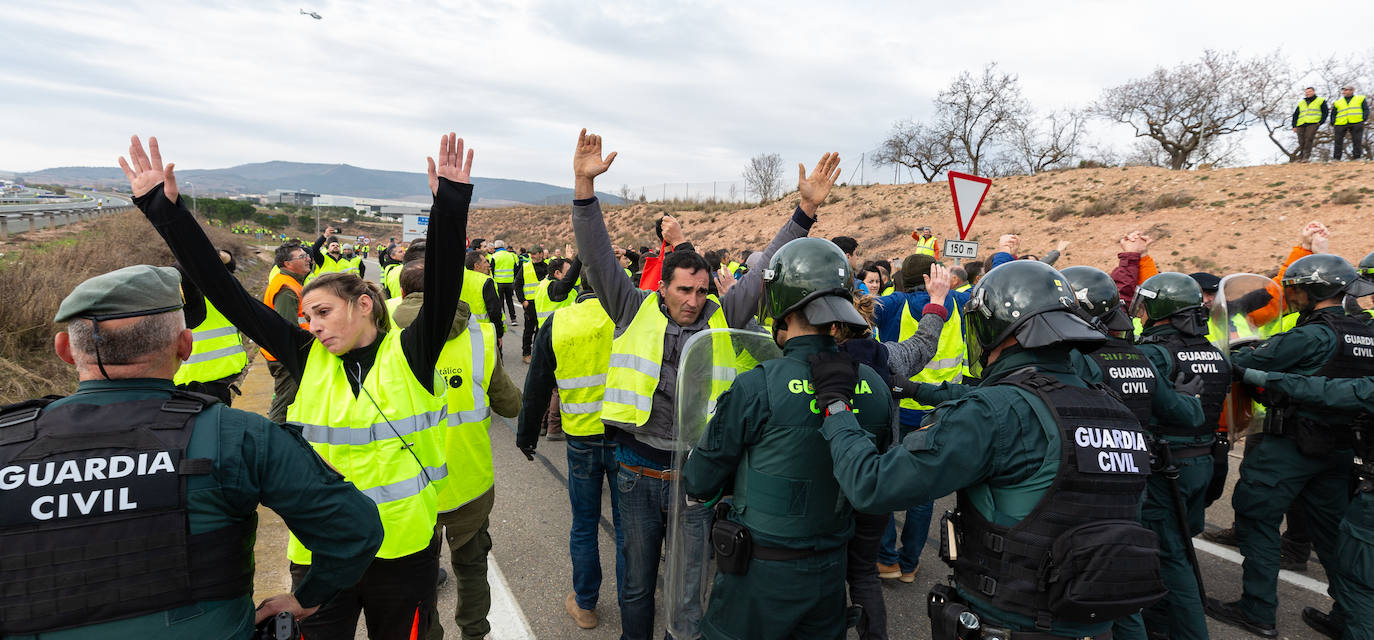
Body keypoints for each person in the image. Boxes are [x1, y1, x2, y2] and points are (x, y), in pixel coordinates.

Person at [122, 132, 474, 639]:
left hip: (403, 552)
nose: (314, 326)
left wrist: (451, 204)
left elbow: (443, 281)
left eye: (324, 312)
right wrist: (164, 210)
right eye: (307, 317)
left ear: (364, 304)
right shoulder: (307, 355)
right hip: (322, 553)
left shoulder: (411, 354)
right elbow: (226, 293)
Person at [0, 264, 383, 638]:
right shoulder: (239, 435)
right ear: (186, 346)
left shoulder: (8, 438)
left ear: (64, 349)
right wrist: (306, 599)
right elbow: (354, 530)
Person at [569, 128, 840, 639]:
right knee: (636, 583)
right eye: (682, 290)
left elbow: (766, 269)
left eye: (699, 289)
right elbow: (597, 254)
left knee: (689, 587)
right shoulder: (630, 307)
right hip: (637, 470)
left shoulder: (726, 314)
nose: (692, 300)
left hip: (696, 480)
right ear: (663, 286)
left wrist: (804, 213)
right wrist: (584, 188)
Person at [819, 259, 1166, 639]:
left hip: (1010, 620)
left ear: (997, 327)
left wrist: (836, 406)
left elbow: (873, 485)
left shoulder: (995, 412)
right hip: (1096, 623)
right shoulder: (1115, 410)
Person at [682, 237, 895, 639]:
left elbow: (699, 480)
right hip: (831, 576)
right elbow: (876, 486)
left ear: (782, 300)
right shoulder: (874, 387)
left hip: (759, 576)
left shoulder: (757, 385)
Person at [1205, 253, 1374, 638]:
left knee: (1257, 520)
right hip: (1343, 449)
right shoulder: (1367, 332)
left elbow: (1248, 360)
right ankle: (1349, 615)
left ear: (1315, 290)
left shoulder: (1312, 334)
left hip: (1289, 445)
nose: (1292, 297)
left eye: (1296, 290)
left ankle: (1257, 610)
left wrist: (1244, 345)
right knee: (1333, 535)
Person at [390, 262, 522, 640]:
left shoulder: (386, 338)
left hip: (410, 487)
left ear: (402, 293)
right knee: (471, 568)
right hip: (469, 480)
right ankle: (475, 634)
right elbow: (510, 405)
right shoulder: (479, 337)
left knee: (418, 576)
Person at [1109, 270, 1223, 640]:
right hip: (1205, 460)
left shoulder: (1152, 354)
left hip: (1165, 465)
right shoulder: (1214, 352)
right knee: (1175, 546)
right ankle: (1161, 623)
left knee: (1171, 557)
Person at [1222, 366, 1374, 640]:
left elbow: (1329, 391)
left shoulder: (1317, 336)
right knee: (1339, 545)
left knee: (1361, 579)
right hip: (1338, 454)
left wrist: (1254, 374)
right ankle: (1342, 618)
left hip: (1307, 444)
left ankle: (1258, 610)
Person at [515, 275, 626, 630]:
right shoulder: (629, 315)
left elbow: (537, 383)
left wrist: (527, 436)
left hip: (581, 440)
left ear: (579, 288)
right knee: (628, 527)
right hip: (626, 437)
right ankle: (632, 602)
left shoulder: (559, 321)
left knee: (584, 523)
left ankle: (586, 604)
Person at [172, 248, 248, 406]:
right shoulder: (191, 300)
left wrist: (220, 255)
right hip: (196, 386)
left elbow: (227, 267)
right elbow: (183, 270)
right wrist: (201, 252)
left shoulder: (214, 292)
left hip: (217, 383)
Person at [261, 243, 312, 422]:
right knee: (284, 404)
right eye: (301, 257)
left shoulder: (293, 283)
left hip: (286, 354)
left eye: (307, 255)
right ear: (287, 264)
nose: (308, 258)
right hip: (286, 357)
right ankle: (273, 439)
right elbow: (287, 329)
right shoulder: (286, 289)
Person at [517, 246, 549, 363]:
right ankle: (526, 354)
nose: (532, 256)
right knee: (529, 330)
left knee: (541, 330)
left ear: (541, 254)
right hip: (530, 304)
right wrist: (523, 301)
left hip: (544, 304)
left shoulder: (547, 268)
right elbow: (518, 285)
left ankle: (537, 353)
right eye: (531, 254)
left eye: (534, 254)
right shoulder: (525, 267)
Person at [1292, 86, 1328, 162]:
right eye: (1306, 92)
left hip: (1313, 123)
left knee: (1308, 139)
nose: (1308, 93)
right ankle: (1301, 157)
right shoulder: (1302, 102)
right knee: (1301, 141)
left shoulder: (1320, 100)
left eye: (1309, 92)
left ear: (1313, 92)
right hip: (1301, 124)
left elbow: (1325, 112)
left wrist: (1321, 122)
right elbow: (1295, 114)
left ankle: (1306, 157)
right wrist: (1294, 125)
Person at [1332, 84, 1367, 161]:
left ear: (1352, 91)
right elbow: (1333, 113)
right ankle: (1336, 158)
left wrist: (1363, 119)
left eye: (1346, 90)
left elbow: (1366, 110)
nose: (1344, 91)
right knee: (1338, 141)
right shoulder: (1337, 102)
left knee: (1357, 140)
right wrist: (1333, 122)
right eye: (1343, 90)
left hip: (1356, 122)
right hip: (1340, 123)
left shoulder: (1360, 99)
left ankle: (1357, 157)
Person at [489, 240, 520, 325]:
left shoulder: (494, 256)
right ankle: (513, 319)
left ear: (495, 247)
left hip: (498, 282)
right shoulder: (511, 255)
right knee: (510, 301)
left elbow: (491, 269)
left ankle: (502, 319)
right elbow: (516, 268)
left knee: (500, 301)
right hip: (510, 282)